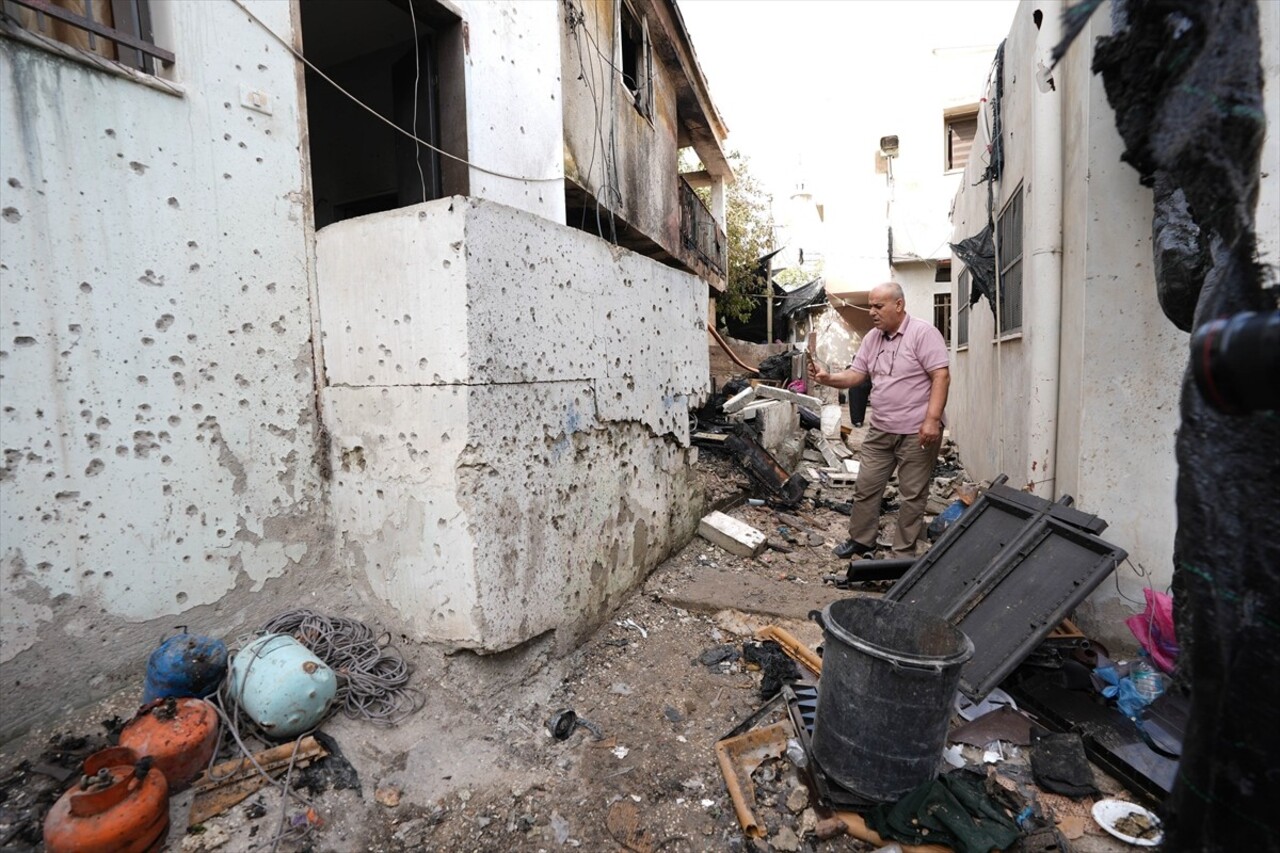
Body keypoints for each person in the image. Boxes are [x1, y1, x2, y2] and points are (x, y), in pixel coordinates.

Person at [809, 282, 950, 558]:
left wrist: (932, 420)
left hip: (916, 432)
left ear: (899, 305)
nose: (871, 312)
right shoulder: (873, 338)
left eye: (878, 306)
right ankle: (862, 540)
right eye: (870, 305)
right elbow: (856, 375)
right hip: (881, 430)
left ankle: (903, 553)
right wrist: (829, 378)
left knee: (912, 496)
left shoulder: (923, 333)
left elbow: (941, 376)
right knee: (866, 487)